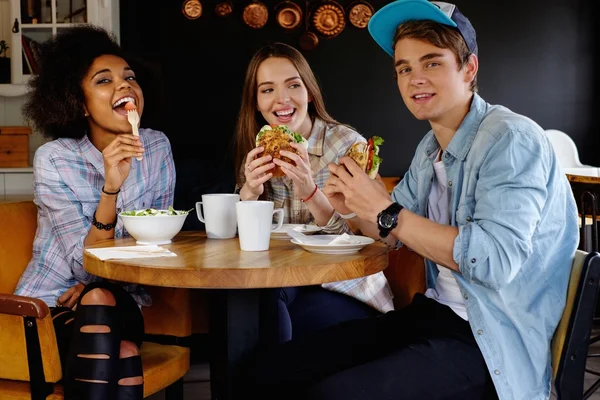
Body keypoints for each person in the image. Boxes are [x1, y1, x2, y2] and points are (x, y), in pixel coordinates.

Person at [247, 1, 579, 399]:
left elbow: (495, 262)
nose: (415, 78)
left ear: (469, 68)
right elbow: (389, 236)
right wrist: (352, 202)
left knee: (334, 393)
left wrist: (387, 211)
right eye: (404, 68)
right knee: (270, 370)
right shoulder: (430, 150)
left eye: (432, 62)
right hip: (437, 316)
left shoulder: (510, 138)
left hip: (493, 341)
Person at [14, 25, 176, 400]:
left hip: (120, 300)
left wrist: (97, 286)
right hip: (55, 302)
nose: (124, 86)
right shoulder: (55, 159)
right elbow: (82, 268)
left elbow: (160, 245)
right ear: (81, 103)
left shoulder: (155, 147)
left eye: (129, 78)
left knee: (100, 297)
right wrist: (111, 188)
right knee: (125, 351)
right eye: (105, 81)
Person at [234, 42, 394, 343]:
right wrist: (249, 192)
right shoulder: (259, 150)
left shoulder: (347, 146)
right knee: (241, 310)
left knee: (264, 318)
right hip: (280, 285)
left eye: (293, 85)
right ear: (255, 102)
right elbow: (242, 243)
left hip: (344, 286)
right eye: (267, 90)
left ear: (309, 92)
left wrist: (311, 192)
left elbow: (375, 239)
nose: (282, 99)